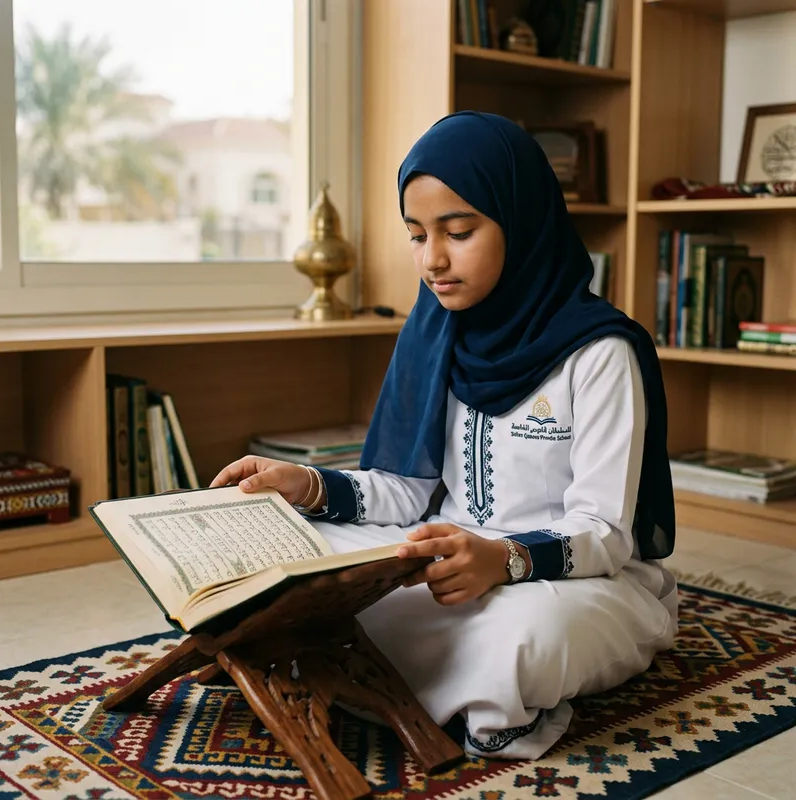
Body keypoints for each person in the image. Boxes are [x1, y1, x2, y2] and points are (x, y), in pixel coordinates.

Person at [210, 111, 678, 760]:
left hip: (569, 581)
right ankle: (366, 666)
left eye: (459, 231)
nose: (432, 259)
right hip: (444, 565)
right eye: (415, 234)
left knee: (522, 639)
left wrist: (502, 559)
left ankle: (316, 666)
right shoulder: (435, 328)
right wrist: (310, 486)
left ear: (521, 220)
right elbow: (408, 492)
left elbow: (608, 532)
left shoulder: (599, 352)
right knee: (284, 564)